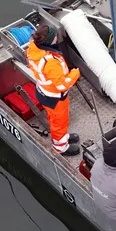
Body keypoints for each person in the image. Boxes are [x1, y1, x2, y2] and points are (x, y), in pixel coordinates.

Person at [25, 24, 81, 156]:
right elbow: (62, 85)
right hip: (55, 97)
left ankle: (62, 137)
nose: (57, 37)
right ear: (50, 40)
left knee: (54, 119)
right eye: (55, 36)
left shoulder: (33, 50)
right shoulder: (50, 61)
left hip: (45, 92)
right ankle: (61, 147)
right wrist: (75, 74)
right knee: (59, 122)